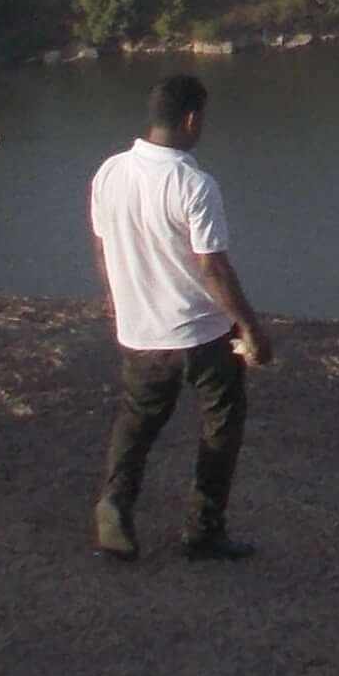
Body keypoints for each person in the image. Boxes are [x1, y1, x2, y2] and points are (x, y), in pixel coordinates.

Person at [91, 73, 270, 562]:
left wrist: (116, 305)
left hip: (140, 332)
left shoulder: (109, 173)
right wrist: (250, 327)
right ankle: (203, 529)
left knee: (137, 422)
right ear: (192, 119)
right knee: (220, 425)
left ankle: (114, 508)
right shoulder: (193, 183)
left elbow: (103, 250)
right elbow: (211, 265)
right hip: (202, 333)